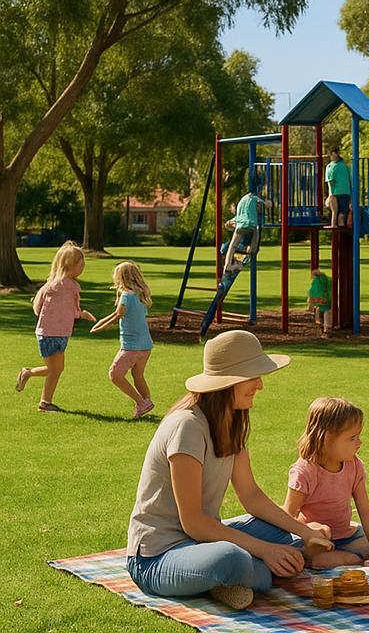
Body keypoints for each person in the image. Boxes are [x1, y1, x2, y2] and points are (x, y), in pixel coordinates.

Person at [125, 331, 332, 610]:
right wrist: (265, 551)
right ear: (229, 381)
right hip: (156, 557)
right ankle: (242, 574)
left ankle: (238, 577)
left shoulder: (230, 423)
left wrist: (304, 531)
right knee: (232, 558)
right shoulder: (187, 427)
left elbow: (251, 496)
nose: (260, 385)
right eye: (253, 376)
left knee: (278, 532)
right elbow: (194, 522)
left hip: (200, 542)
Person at [283, 396, 369, 567]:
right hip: (318, 540)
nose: (359, 443)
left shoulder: (354, 465)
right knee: (327, 557)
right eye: (352, 438)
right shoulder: (305, 471)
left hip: (346, 535)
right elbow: (287, 514)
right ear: (327, 439)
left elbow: (365, 509)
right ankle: (322, 557)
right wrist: (309, 531)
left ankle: (349, 557)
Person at [16, 241, 96, 412]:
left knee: (55, 368)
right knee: (56, 369)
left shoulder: (49, 285)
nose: (82, 269)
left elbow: (37, 309)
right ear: (70, 265)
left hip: (49, 333)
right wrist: (83, 314)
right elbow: (75, 311)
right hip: (54, 334)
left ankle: (27, 373)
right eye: (80, 265)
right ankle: (45, 403)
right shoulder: (72, 287)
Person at [90, 261, 155, 419]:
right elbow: (115, 314)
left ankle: (141, 402)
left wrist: (101, 327)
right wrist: (99, 324)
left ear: (122, 278)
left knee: (115, 374)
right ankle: (147, 402)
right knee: (137, 374)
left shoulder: (126, 296)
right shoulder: (141, 295)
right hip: (146, 345)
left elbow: (117, 315)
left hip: (132, 346)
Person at [224, 190, 269, 272]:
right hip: (250, 226)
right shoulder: (255, 199)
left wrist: (228, 224)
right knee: (253, 249)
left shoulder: (243, 202)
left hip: (241, 225)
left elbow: (233, 221)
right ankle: (237, 264)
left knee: (232, 245)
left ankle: (228, 266)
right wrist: (268, 203)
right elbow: (266, 204)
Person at [324, 148, 351, 228]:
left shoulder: (331, 167)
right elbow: (350, 180)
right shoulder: (345, 166)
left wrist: (330, 194)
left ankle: (337, 227)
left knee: (336, 212)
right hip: (345, 192)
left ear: (333, 154)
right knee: (342, 213)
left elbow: (330, 182)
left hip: (336, 193)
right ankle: (341, 229)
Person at [305, 268, 330, 334]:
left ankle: (319, 322)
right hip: (326, 298)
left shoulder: (315, 281)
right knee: (326, 310)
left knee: (318, 309)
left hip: (317, 298)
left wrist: (311, 302)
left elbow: (311, 291)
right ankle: (326, 327)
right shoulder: (325, 280)